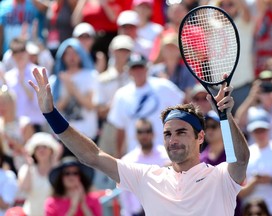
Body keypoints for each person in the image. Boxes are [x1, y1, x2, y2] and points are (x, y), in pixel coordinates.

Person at [29, 67, 249, 215]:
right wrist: (51, 114)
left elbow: (240, 160)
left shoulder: (221, 177)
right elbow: (92, 156)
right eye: (167, 134)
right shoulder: (148, 177)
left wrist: (225, 116)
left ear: (200, 136)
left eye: (181, 132)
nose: (173, 140)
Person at [107, 53, 184, 157]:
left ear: (147, 68)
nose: (138, 71)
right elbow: (120, 128)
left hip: (164, 152)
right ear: (128, 71)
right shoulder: (121, 94)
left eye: (141, 67)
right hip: (135, 155)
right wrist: (119, 154)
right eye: (134, 68)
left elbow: (183, 106)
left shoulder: (163, 86)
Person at [238, 109, 272, 216]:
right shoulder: (246, 154)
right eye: (256, 131)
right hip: (253, 212)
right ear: (251, 132)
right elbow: (240, 193)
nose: (260, 134)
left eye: (263, 130)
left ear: (269, 129)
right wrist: (255, 182)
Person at [120, 118, 170, 216]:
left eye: (147, 131)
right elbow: (124, 194)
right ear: (135, 135)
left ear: (153, 133)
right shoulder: (127, 161)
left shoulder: (166, 156)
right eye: (140, 132)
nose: (144, 135)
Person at [17, 132, 60, 216]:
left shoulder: (59, 170)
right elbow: (24, 188)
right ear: (33, 152)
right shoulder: (25, 169)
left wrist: (55, 165)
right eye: (37, 148)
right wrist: (29, 165)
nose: (41, 150)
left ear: (51, 150)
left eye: (45, 147)